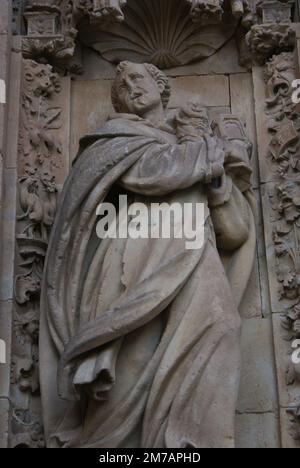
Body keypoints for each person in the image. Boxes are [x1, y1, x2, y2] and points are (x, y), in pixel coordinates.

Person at [40, 61, 256, 448]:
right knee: (133, 361)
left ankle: (189, 444)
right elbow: (153, 175)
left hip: (193, 252)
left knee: (223, 325)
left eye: (137, 79)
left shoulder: (191, 145)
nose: (130, 89)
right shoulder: (116, 140)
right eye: (121, 87)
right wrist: (208, 151)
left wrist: (219, 174)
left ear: (160, 86)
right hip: (137, 257)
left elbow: (236, 231)